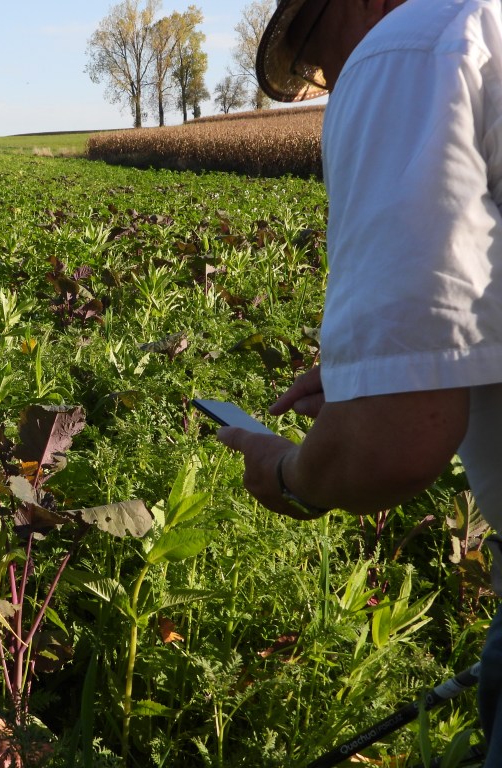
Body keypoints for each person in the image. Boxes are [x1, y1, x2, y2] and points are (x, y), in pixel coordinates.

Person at [216, 0, 502, 761]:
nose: (329, 79)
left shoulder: (408, 50)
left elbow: (392, 445)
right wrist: (384, 372)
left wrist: (288, 476)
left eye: (316, 47)